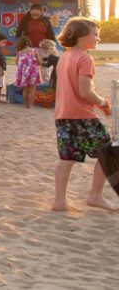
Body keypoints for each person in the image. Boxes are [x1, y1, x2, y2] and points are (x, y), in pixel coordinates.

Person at [50, 17, 117, 212]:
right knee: (107, 154)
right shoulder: (85, 58)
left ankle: (59, 201)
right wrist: (104, 103)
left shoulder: (65, 56)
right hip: (82, 115)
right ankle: (95, 196)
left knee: (67, 157)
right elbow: (85, 91)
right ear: (80, 35)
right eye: (94, 34)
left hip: (63, 114)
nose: (98, 38)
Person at [13, 35, 40, 109]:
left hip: (24, 73)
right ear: (28, 42)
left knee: (25, 88)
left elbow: (16, 62)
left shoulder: (19, 52)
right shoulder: (34, 50)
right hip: (33, 71)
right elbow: (40, 61)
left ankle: (25, 105)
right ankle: (31, 105)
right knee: (32, 88)